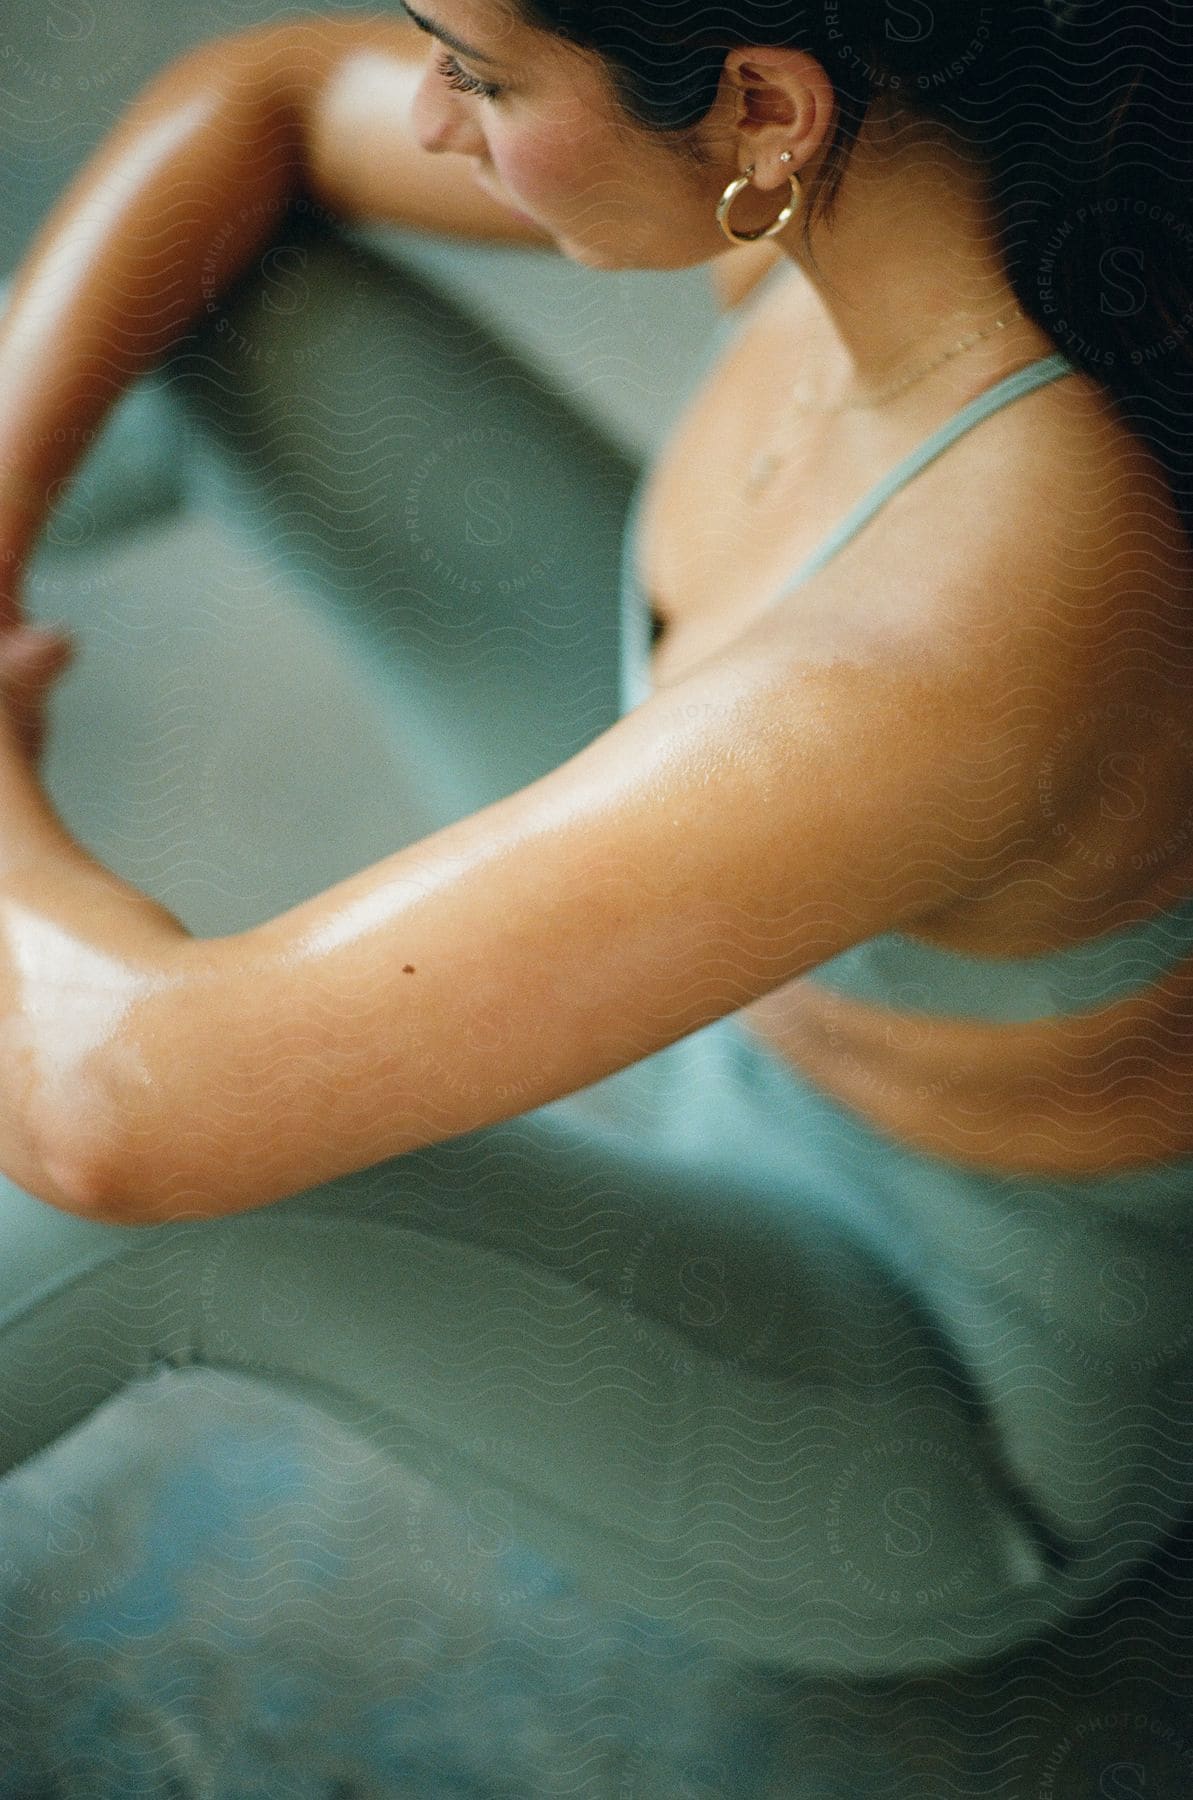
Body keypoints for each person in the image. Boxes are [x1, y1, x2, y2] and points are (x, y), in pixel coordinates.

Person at [0, 0, 1192, 1749]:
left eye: (477, 77)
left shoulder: (985, 616)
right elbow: (251, 98)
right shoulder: (898, 188)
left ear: (764, 105)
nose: (423, 116)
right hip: (776, 963)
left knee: (82, 1195)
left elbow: (118, 1109)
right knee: (221, 293)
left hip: (922, 1363)